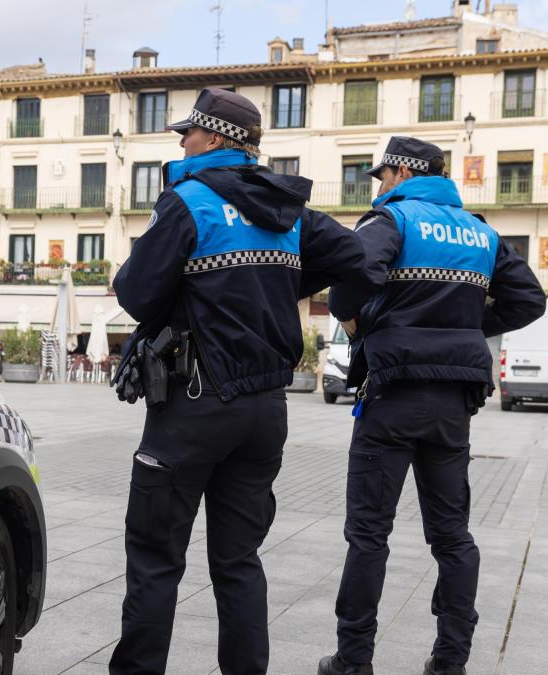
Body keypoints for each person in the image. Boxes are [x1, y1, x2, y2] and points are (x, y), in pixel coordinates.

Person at [108, 87, 367, 675]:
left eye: (188, 132)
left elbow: (137, 294)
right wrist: (276, 286)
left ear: (217, 140)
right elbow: (354, 255)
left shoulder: (190, 202)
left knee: (154, 558)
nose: (181, 141)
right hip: (264, 411)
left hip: (194, 407)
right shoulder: (289, 212)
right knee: (239, 560)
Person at [320, 136, 546, 675]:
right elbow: (529, 300)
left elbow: (348, 283)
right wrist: (465, 329)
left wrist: (363, 325)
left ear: (400, 171)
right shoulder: (481, 232)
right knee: (452, 535)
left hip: (394, 394)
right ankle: (450, 661)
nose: (380, 185)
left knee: (369, 535)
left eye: (382, 176)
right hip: (454, 402)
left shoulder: (390, 222)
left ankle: (353, 661)